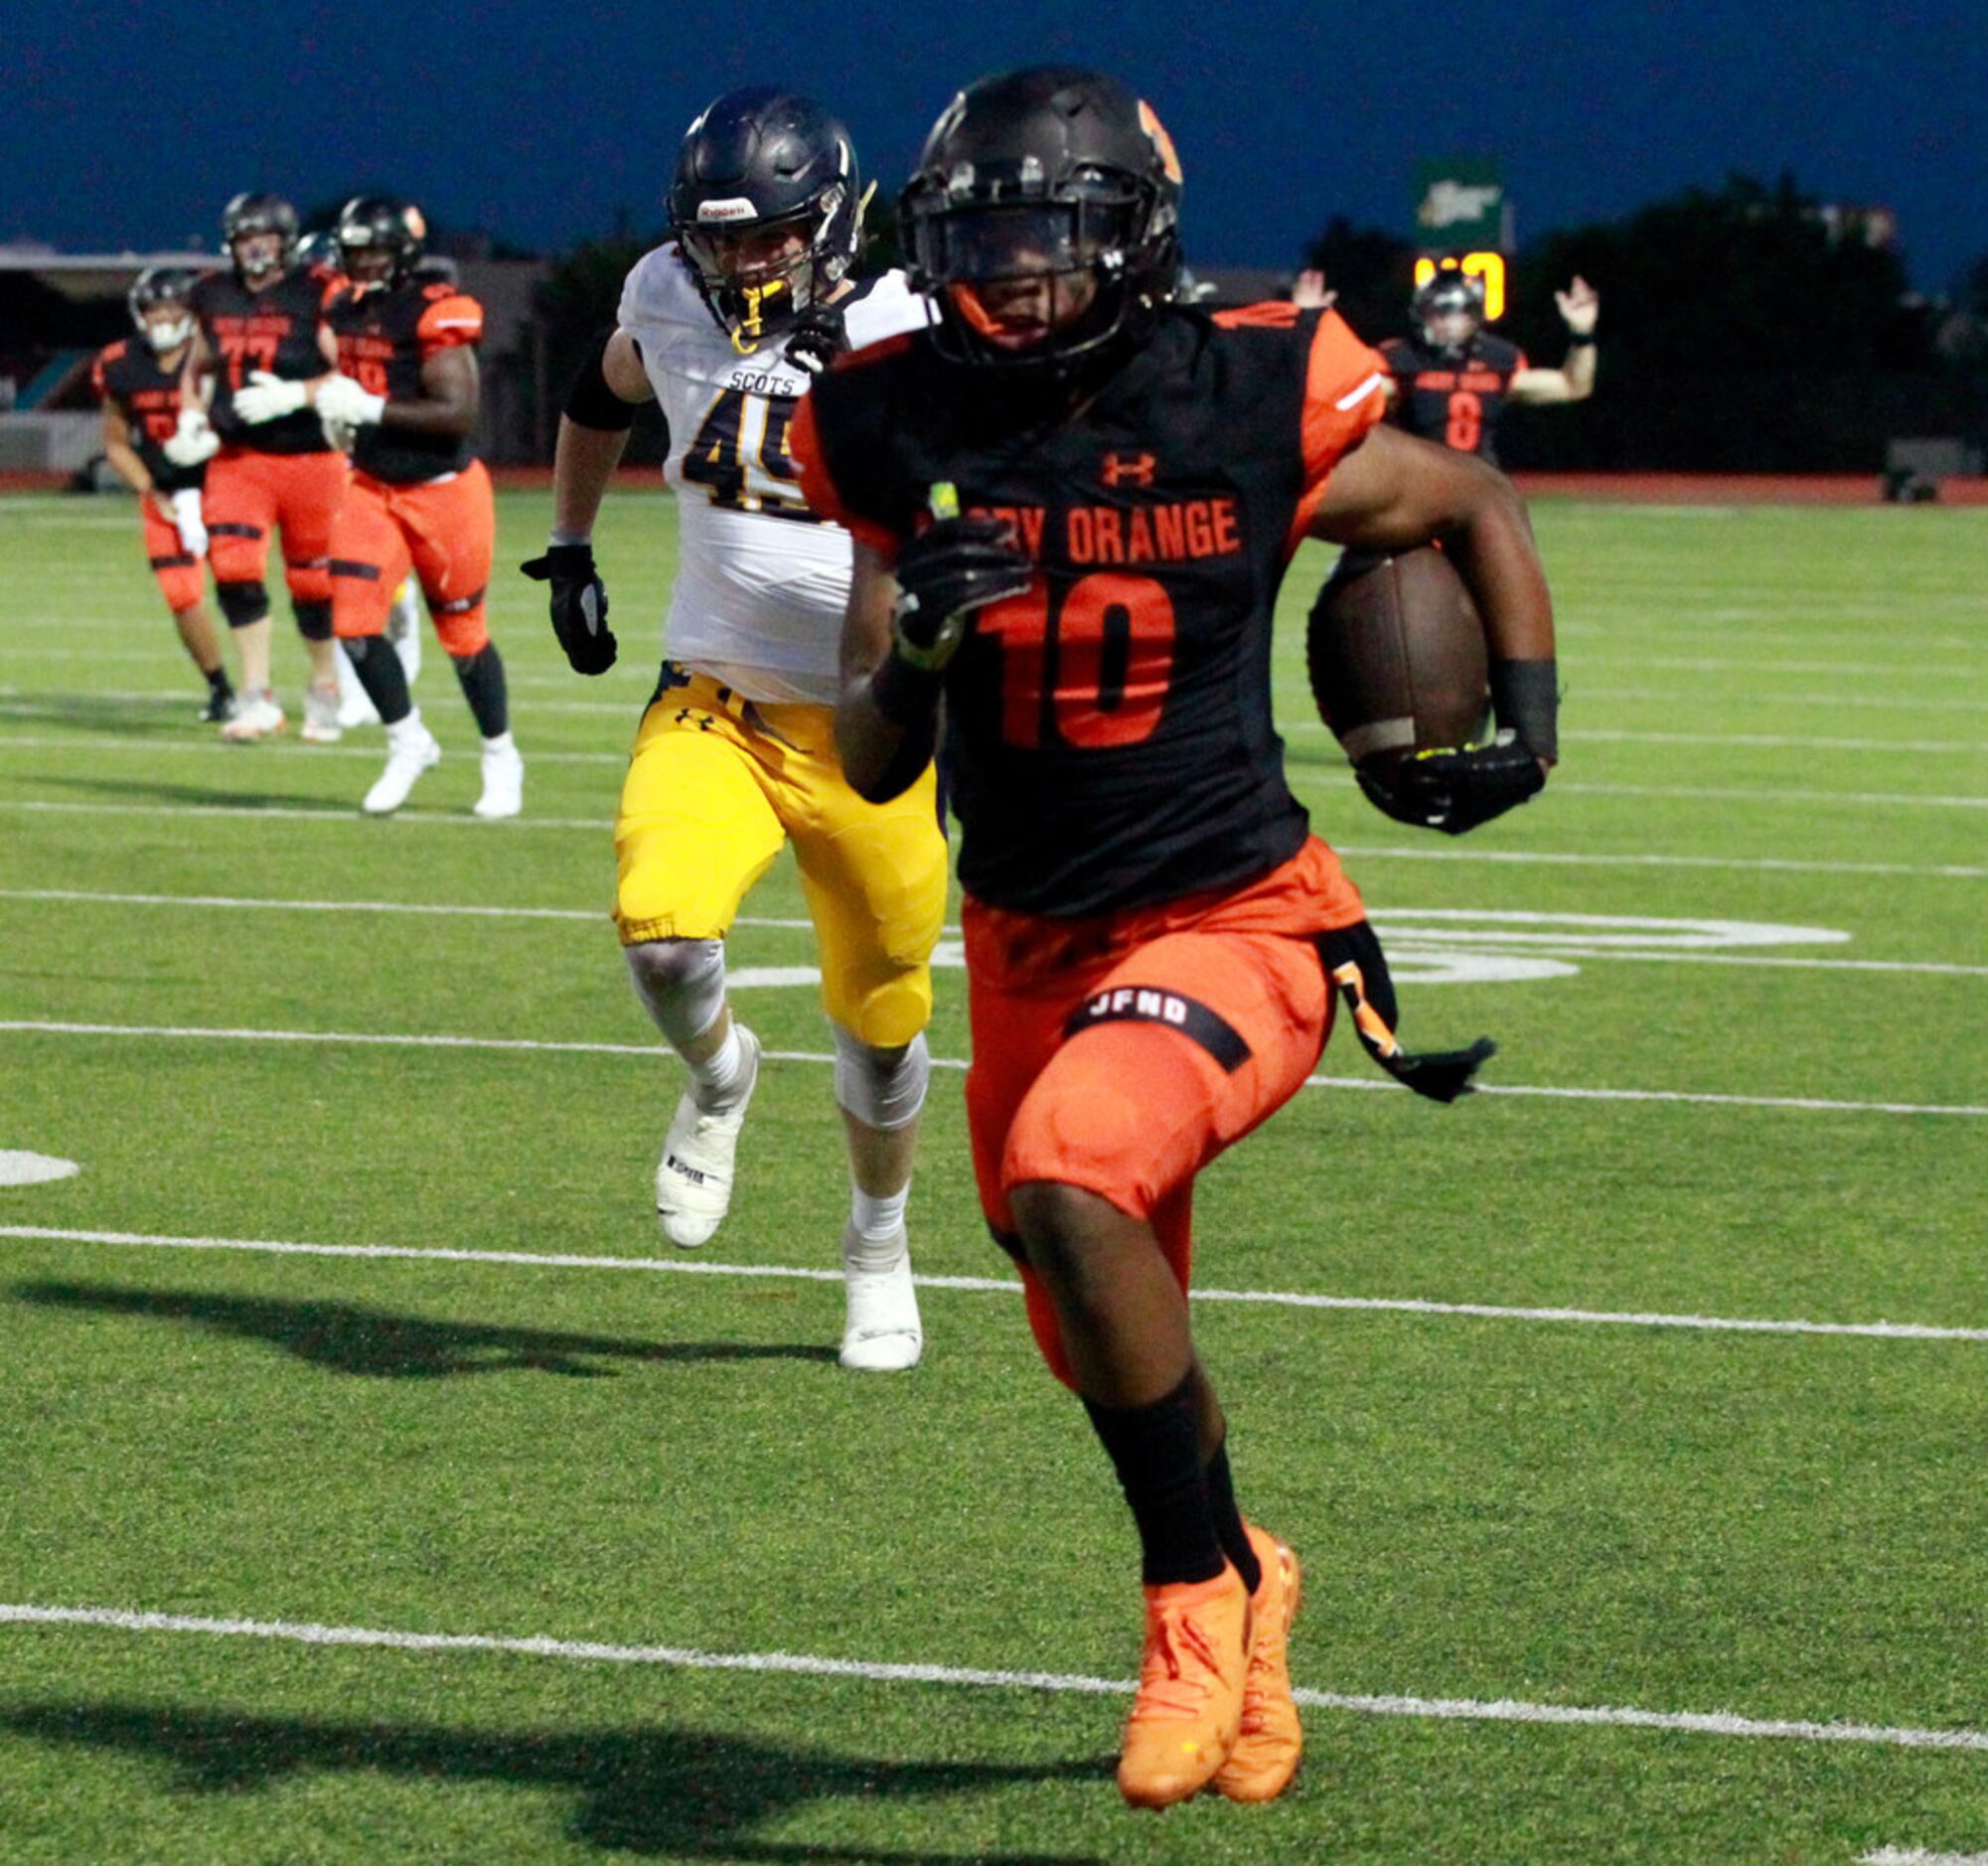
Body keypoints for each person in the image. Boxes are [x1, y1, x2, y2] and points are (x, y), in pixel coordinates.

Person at [793, 66, 1558, 1807]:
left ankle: (1187, 1600)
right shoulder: (891, 418)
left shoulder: (1243, 384)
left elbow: (1469, 500)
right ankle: (1251, 1566)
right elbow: (870, 751)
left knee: (1072, 1175)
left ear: (1132, 242)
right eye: (979, 235)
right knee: (1078, 1293)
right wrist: (912, 646)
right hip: (1029, 930)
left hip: (1237, 911)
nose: (1011, 270)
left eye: (1050, 235)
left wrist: (1521, 724)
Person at [520, 87, 942, 1371]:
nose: (743, 263)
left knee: (881, 1021)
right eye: (724, 240)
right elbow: (598, 402)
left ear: (833, 220)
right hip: (715, 699)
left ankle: (877, 1242)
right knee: (659, 934)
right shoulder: (663, 293)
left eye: (770, 237)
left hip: (873, 728)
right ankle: (719, 1077)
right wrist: (568, 545)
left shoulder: (909, 325)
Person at [318, 195, 523, 817]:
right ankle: (408, 740)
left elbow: (458, 413)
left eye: (375, 249)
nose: (363, 261)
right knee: (352, 624)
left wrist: (369, 410)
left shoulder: (436, 311)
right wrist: (342, 416)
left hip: (442, 491)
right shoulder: (344, 307)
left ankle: (500, 755)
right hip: (372, 486)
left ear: (404, 251)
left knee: (462, 636)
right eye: (354, 250)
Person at [177, 193, 350, 742]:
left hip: (309, 456)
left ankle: (325, 686)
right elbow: (196, 363)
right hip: (237, 459)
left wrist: (298, 393)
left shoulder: (317, 289)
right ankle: (256, 696)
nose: (255, 246)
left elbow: (353, 369)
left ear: (284, 239)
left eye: (265, 236)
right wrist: (190, 414)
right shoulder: (211, 293)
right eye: (245, 236)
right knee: (233, 571)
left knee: (313, 581)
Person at [92, 267, 234, 723]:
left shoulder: (216, 353)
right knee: (181, 595)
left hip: (225, 485)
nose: (163, 318)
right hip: (166, 491)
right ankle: (221, 688)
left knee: (244, 582)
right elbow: (115, 440)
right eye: (153, 309)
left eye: (172, 308)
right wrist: (149, 488)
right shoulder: (120, 362)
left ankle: (285, 685)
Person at [1377, 266, 1599, 464]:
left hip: (1481, 483)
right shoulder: (1403, 358)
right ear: (1423, 315)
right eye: (1441, 314)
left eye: (1459, 314)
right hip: (1419, 482)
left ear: (1474, 316)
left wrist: (1582, 335)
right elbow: (1348, 397)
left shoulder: (1497, 358)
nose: (1449, 323)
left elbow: (1573, 386)